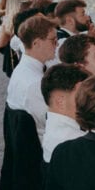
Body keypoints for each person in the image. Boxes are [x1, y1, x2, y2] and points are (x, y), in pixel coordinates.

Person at [6, 15, 58, 143]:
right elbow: (53, 123)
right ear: (36, 43)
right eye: (53, 40)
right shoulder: (34, 84)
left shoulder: (22, 69)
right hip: (43, 146)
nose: (56, 45)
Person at [41, 64, 89, 164]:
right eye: (82, 94)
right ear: (60, 102)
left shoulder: (55, 125)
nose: (88, 99)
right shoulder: (71, 140)